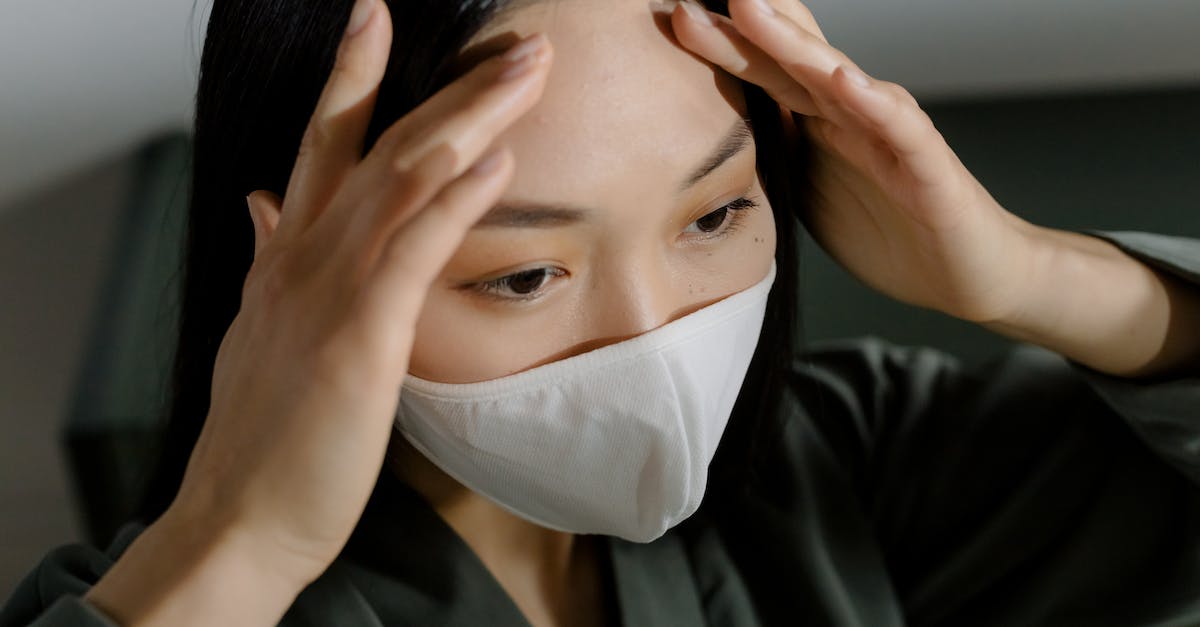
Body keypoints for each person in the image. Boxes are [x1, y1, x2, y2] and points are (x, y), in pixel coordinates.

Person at [3, 0, 1199, 624]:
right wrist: (240, 542)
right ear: (293, 273)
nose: (651, 338)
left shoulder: (843, 465)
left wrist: (1026, 275)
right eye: (522, 276)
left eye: (717, 216)